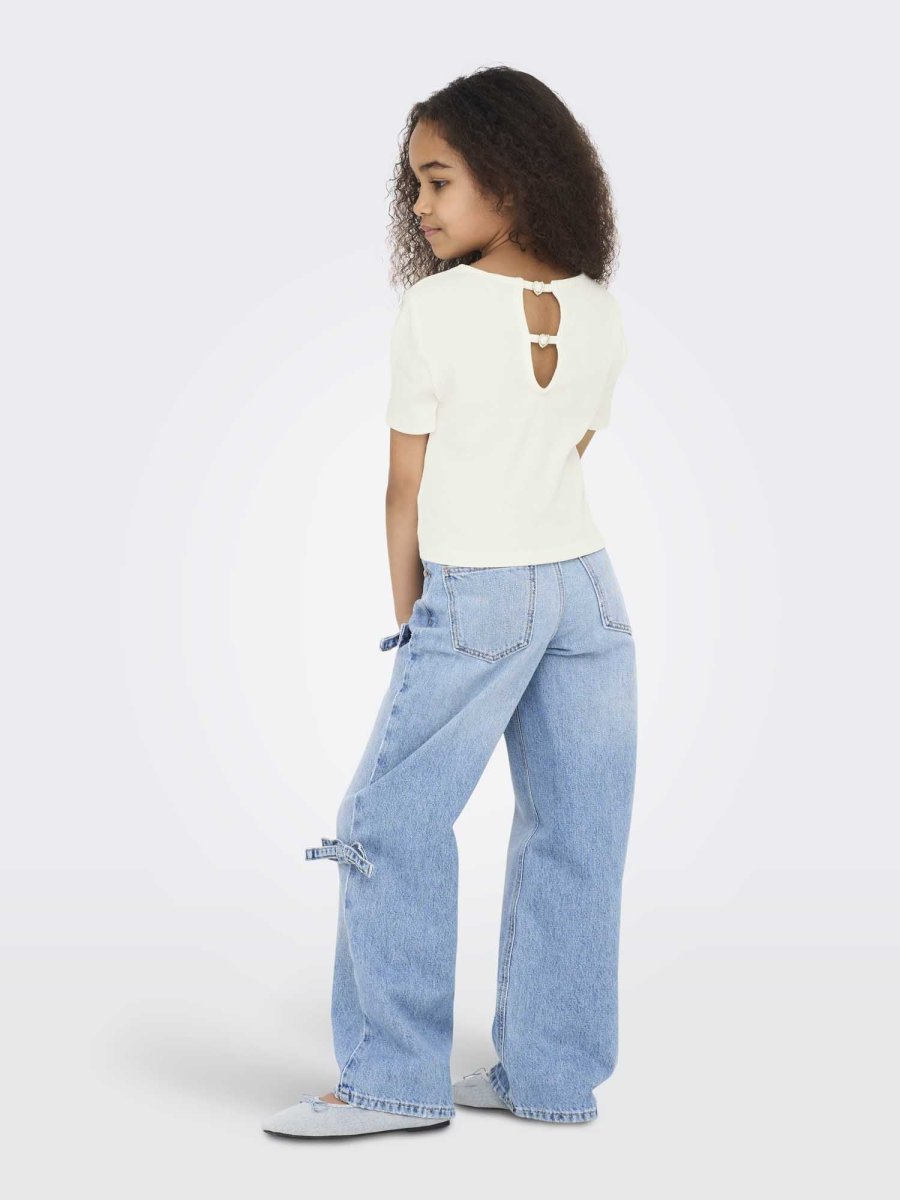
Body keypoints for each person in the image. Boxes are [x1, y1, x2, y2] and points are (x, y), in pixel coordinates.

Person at [262, 65, 637, 1140]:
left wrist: (416, 619)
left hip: (477, 591)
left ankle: (392, 1081)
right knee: (577, 831)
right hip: (589, 592)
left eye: (438, 181)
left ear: (509, 180)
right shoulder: (600, 310)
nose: (420, 206)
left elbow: (405, 491)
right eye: (415, 186)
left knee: (388, 819)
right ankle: (551, 1079)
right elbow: (567, 450)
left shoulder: (433, 309)